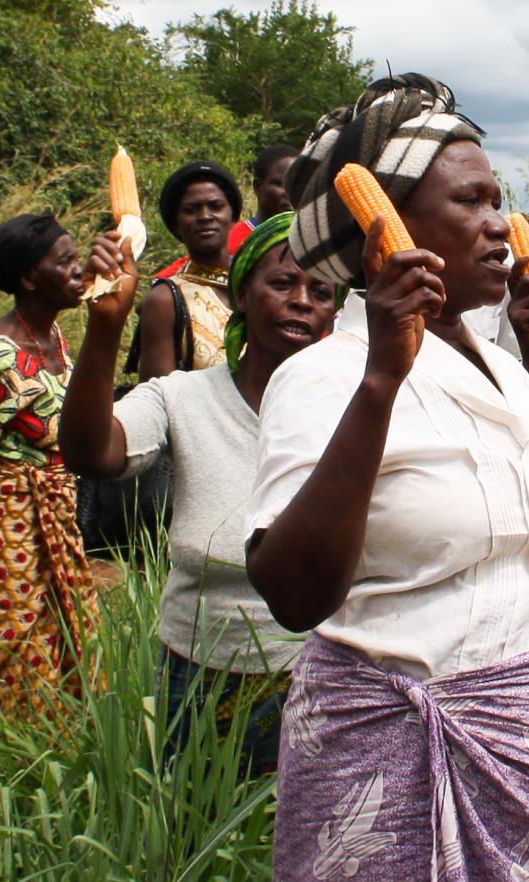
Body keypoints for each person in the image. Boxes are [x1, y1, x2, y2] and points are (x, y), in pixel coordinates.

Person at [244, 74, 529, 882]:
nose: (502, 223)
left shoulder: (500, 365)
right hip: (400, 765)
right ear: (392, 230)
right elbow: (295, 593)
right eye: (474, 200)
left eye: (501, 200)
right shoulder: (328, 375)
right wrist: (382, 375)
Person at [62, 212, 338, 773]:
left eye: (321, 291)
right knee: (194, 828)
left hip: (318, 669)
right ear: (240, 294)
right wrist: (105, 327)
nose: (302, 300)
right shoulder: (181, 397)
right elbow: (94, 453)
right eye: (282, 283)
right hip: (197, 668)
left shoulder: (353, 406)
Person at [0, 214, 99, 717]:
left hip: (53, 515)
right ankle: (20, 776)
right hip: (0, 530)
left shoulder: (56, 343)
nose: (79, 272)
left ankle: (75, 763)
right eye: (66, 262)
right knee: (18, 658)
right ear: (30, 278)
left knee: (73, 642)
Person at [132, 161, 242, 379]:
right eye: (191, 210)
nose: (204, 216)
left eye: (216, 206)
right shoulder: (165, 301)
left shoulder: (256, 281)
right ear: (176, 226)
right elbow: (157, 396)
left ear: (233, 217)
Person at [156, 146, 293, 280]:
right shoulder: (234, 240)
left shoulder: (305, 242)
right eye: (281, 184)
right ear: (258, 187)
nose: (292, 193)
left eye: (300, 184)